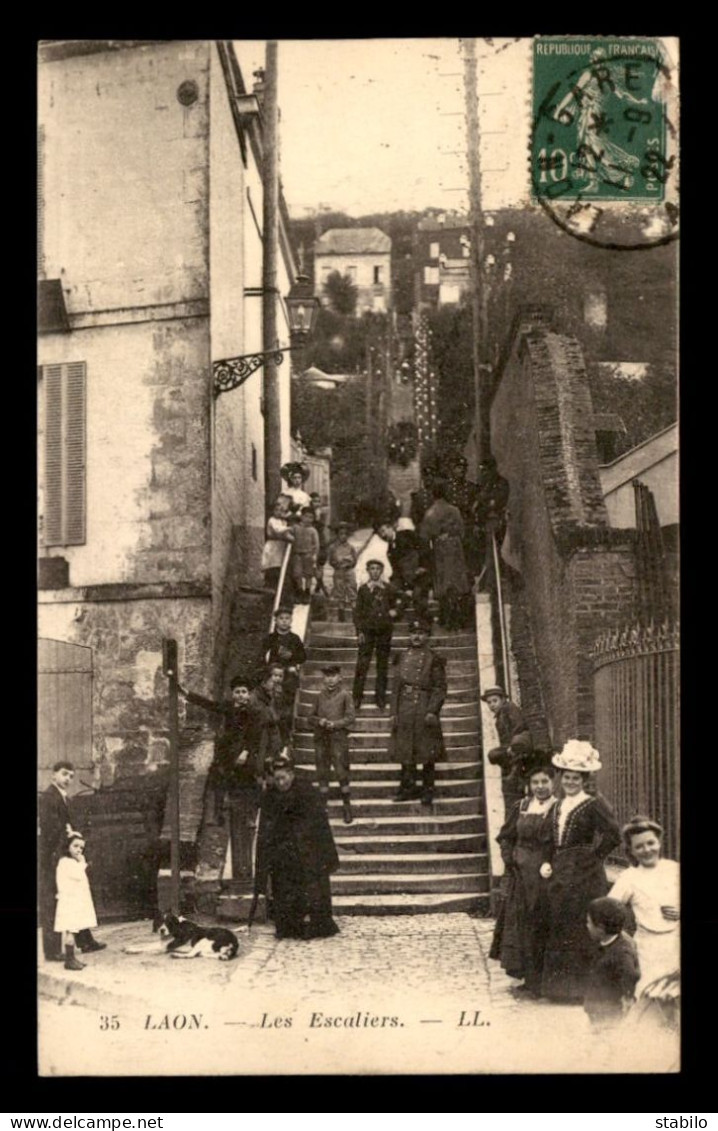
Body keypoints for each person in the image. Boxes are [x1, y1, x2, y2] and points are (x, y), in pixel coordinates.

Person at [539, 740, 621, 1003]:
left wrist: (594, 857)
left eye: (576, 778)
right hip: (560, 871)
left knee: (581, 925)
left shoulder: (593, 803)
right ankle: (559, 989)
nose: (571, 782)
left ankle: (582, 991)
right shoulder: (558, 805)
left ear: (584, 780)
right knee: (560, 923)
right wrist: (547, 859)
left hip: (585, 874)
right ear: (561, 778)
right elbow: (548, 838)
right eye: (567, 777)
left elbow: (613, 835)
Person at [489, 756, 556, 997]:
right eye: (536, 782)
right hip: (520, 876)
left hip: (544, 876)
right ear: (529, 785)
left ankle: (542, 980)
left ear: (553, 783)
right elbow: (505, 836)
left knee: (542, 925)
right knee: (521, 926)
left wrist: (550, 863)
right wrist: (510, 858)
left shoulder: (557, 809)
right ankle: (528, 977)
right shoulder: (521, 806)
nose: (540, 786)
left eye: (545, 781)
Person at [255, 757, 340, 940]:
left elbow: (318, 824)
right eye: (277, 779)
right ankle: (288, 927)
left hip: (308, 850)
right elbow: (266, 828)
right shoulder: (270, 796)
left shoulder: (307, 792)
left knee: (313, 889)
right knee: (284, 889)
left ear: (292, 775)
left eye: (283, 778)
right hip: (283, 853)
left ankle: (318, 925)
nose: (281, 783)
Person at [39, 761, 106, 960]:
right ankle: (52, 951)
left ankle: (85, 942)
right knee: (54, 902)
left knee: (77, 895)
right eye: (64, 774)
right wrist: (70, 837)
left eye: (70, 776)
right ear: (53, 775)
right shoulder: (48, 798)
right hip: (54, 859)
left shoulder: (63, 797)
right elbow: (51, 830)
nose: (68, 779)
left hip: (65, 855)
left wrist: (72, 838)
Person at [608, 815, 680, 998]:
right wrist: (623, 938)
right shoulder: (629, 877)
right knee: (651, 998)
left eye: (651, 843)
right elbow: (607, 911)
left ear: (659, 842)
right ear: (631, 851)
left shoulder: (674, 869)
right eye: (639, 846)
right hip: (648, 949)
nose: (647, 850)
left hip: (676, 944)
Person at [178, 671, 262, 826]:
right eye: (237, 692)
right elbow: (209, 705)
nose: (241, 695)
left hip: (245, 751)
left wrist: (245, 753)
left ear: (249, 694)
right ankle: (217, 815)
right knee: (220, 780)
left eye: (244, 692)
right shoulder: (229, 707)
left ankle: (249, 816)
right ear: (233, 694)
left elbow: (254, 736)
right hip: (227, 750)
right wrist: (187, 694)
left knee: (247, 783)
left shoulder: (254, 712)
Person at [390, 617, 446, 805]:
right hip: (405, 708)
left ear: (427, 636)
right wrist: (393, 712)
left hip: (423, 706)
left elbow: (439, 688)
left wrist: (432, 710)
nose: (416, 637)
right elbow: (396, 686)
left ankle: (428, 789)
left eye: (421, 634)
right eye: (414, 633)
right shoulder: (402, 656)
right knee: (406, 749)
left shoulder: (434, 658)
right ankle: (408, 787)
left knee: (426, 751)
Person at [419, 478, 473, 629]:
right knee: (458, 582)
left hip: (440, 550)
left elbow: (424, 536)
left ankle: (447, 620)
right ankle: (461, 619)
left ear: (433, 494)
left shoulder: (430, 513)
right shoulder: (454, 510)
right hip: (455, 549)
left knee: (443, 583)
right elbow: (462, 531)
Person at [352, 559, 403, 710]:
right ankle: (357, 697)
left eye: (377, 569)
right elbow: (357, 613)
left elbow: (401, 601)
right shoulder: (363, 590)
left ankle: (380, 697)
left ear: (382, 571)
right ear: (368, 571)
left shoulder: (388, 588)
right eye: (371, 569)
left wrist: (396, 611)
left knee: (382, 666)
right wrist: (359, 631)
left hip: (384, 631)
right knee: (362, 665)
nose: (374, 571)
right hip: (367, 632)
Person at [584, 897, 640, 1030]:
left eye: (589, 923)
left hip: (609, 1012)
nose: (587, 926)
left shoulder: (621, 951)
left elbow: (630, 974)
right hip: (596, 1008)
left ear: (601, 929)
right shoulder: (608, 941)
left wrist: (627, 997)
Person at [311, 663, 356, 823]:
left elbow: (351, 717)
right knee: (322, 771)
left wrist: (335, 724)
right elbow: (311, 717)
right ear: (323, 678)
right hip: (321, 738)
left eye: (333, 676)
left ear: (340, 678)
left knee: (341, 771)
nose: (330, 680)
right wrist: (320, 721)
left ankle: (347, 806)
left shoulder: (345, 695)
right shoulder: (319, 696)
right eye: (327, 676)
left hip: (338, 739)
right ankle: (323, 807)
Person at [55, 833, 101, 971]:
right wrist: (82, 862)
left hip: (75, 902)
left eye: (81, 848)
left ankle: (72, 958)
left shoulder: (72, 862)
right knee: (71, 931)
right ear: (67, 847)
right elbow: (77, 875)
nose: (79, 850)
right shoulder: (65, 862)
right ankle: (69, 959)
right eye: (75, 846)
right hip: (70, 903)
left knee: (73, 930)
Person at [482, 686, 534, 809]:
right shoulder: (501, 714)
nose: (492, 705)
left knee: (512, 787)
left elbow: (519, 727)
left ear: (503, 699)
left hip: (517, 752)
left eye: (495, 701)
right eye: (489, 702)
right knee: (493, 756)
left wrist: (512, 746)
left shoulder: (509, 708)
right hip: (511, 752)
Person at [263, 605, 306, 739]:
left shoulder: (295, 638)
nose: (284, 621)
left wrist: (292, 656)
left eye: (287, 618)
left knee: (286, 711)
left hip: (288, 678)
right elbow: (260, 656)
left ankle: (285, 742)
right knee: (271, 708)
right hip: (273, 677)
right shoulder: (270, 638)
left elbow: (303, 657)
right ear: (275, 620)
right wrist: (268, 670)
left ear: (291, 620)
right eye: (281, 618)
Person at [376, 518, 430, 619]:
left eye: (383, 531)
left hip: (420, 575)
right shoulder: (390, 551)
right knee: (389, 589)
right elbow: (397, 572)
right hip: (407, 579)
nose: (383, 535)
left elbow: (424, 546)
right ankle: (393, 615)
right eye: (380, 535)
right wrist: (405, 587)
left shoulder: (407, 535)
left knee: (418, 595)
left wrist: (423, 565)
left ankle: (421, 625)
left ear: (390, 528)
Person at [251, 665, 286, 771]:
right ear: (264, 682)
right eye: (272, 680)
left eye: (280, 676)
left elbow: (278, 713)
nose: (275, 682)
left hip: (271, 731)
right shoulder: (256, 696)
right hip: (260, 731)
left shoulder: (273, 694)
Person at [261, 499, 295, 591]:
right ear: (272, 511)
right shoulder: (272, 520)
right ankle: (269, 583)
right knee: (272, 564)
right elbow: (278, 530)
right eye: (276, 510)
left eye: (281, 511)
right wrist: (289, 529)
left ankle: (278, 586)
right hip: (273, 545)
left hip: (280, 546)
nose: (279, 512)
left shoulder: (283, 521)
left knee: (280, 565)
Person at [327, 522, 358, 622]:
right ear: (337, 535)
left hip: (349, 571)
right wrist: (337, 564)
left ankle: (355, 614)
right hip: (339, 571)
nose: (343, 536)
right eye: (341, 534)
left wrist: (349, 563)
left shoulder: (351, 547)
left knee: (352, 591)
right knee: (340, 592)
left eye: (345, 534)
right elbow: (331, 561)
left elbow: (354, 560)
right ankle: (341, 615)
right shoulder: (333, 548)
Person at [291, 507, 320, 603]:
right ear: (302, 517)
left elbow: (316, 544)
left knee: (308, 574)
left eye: (311, 517)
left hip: (308, 555)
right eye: (306, 516)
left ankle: (307, 592)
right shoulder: (295, 528)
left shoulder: (313, 530)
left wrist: (314, 555)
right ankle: (300, 591)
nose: (308, 519)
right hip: (297, 554)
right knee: (297, 573)